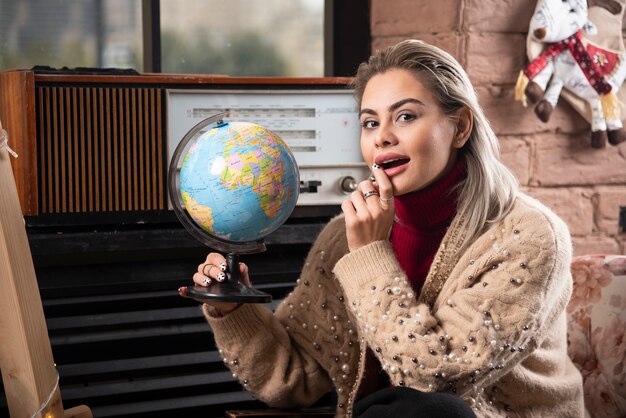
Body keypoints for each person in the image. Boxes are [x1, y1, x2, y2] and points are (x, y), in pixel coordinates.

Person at [180, 39, 585, 417]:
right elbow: (293, 378)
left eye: (405, 116)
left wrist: (370, 257)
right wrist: (231, 309)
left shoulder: (530, 236)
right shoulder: (344, 236)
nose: (383, 138)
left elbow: (435, 380)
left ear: (460, 127)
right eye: (370, 123)